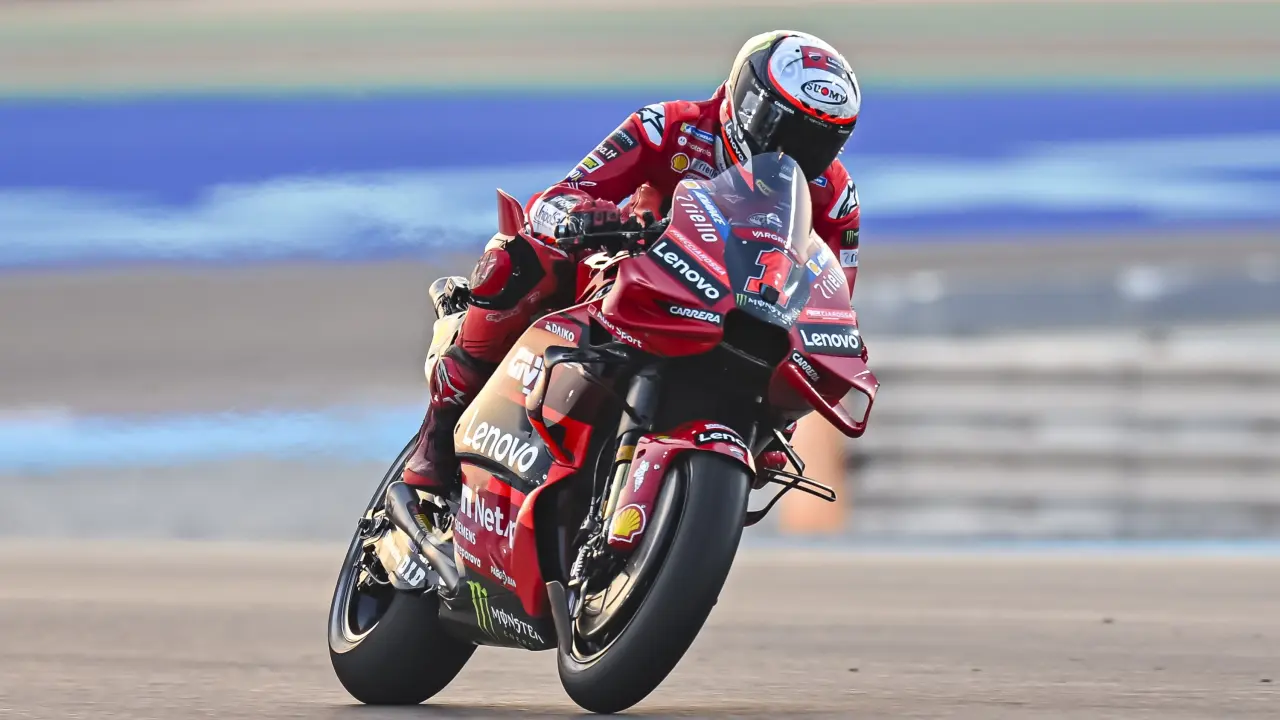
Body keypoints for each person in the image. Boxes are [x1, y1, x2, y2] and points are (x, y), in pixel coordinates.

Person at [399, 30, 864, 504]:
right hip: (634, 279)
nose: (790, 153)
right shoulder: (670, 127)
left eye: (816, 144)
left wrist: (788, 413)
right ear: (745, 102)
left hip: (735, 320)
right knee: (518, 259)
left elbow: (831, 300)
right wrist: (584, 216)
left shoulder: (835, 197)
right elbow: (558, 197)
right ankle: (437, 436)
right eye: (781, 128)